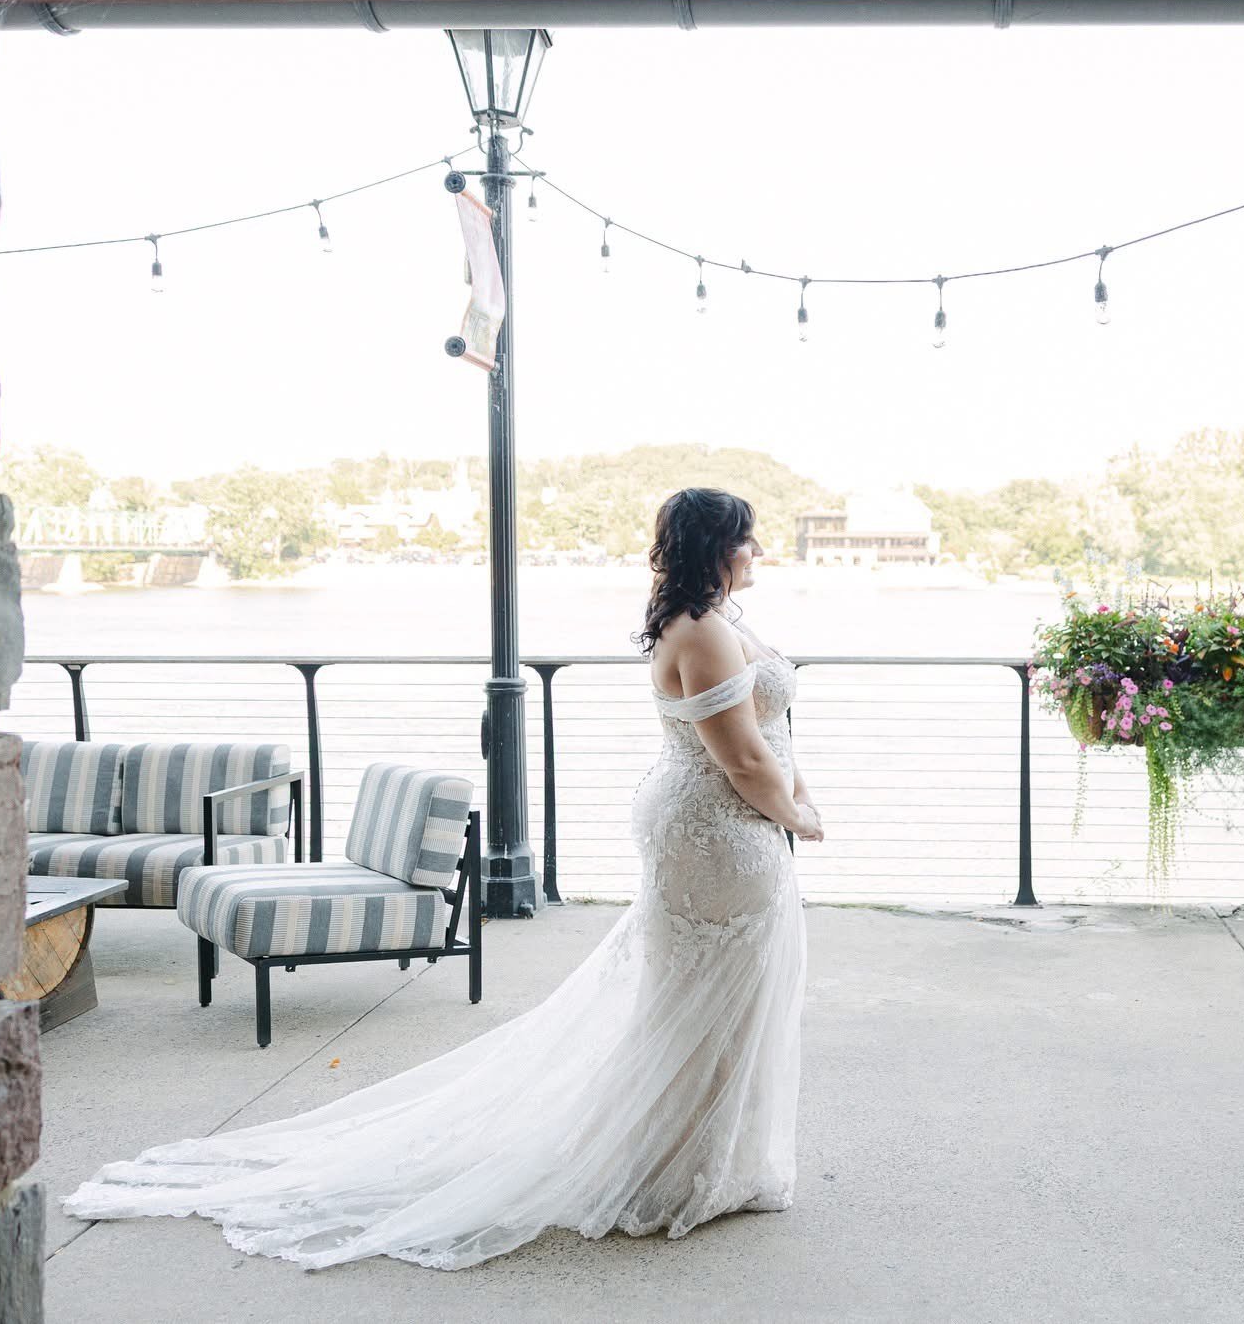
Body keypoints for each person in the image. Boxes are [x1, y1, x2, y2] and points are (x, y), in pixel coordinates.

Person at [64, 487, 824, 1270]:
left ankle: (712, 1156)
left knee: (719, 1003)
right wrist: (797, 816)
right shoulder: (700, 630)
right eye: (748, 539)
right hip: (719, 832)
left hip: (727, 824)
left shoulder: (720, 617)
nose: (757, 550)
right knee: (700, 1005)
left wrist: (797, 792)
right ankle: (676, 1168)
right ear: (715, 547)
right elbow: (740, 755)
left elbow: (761, 739)